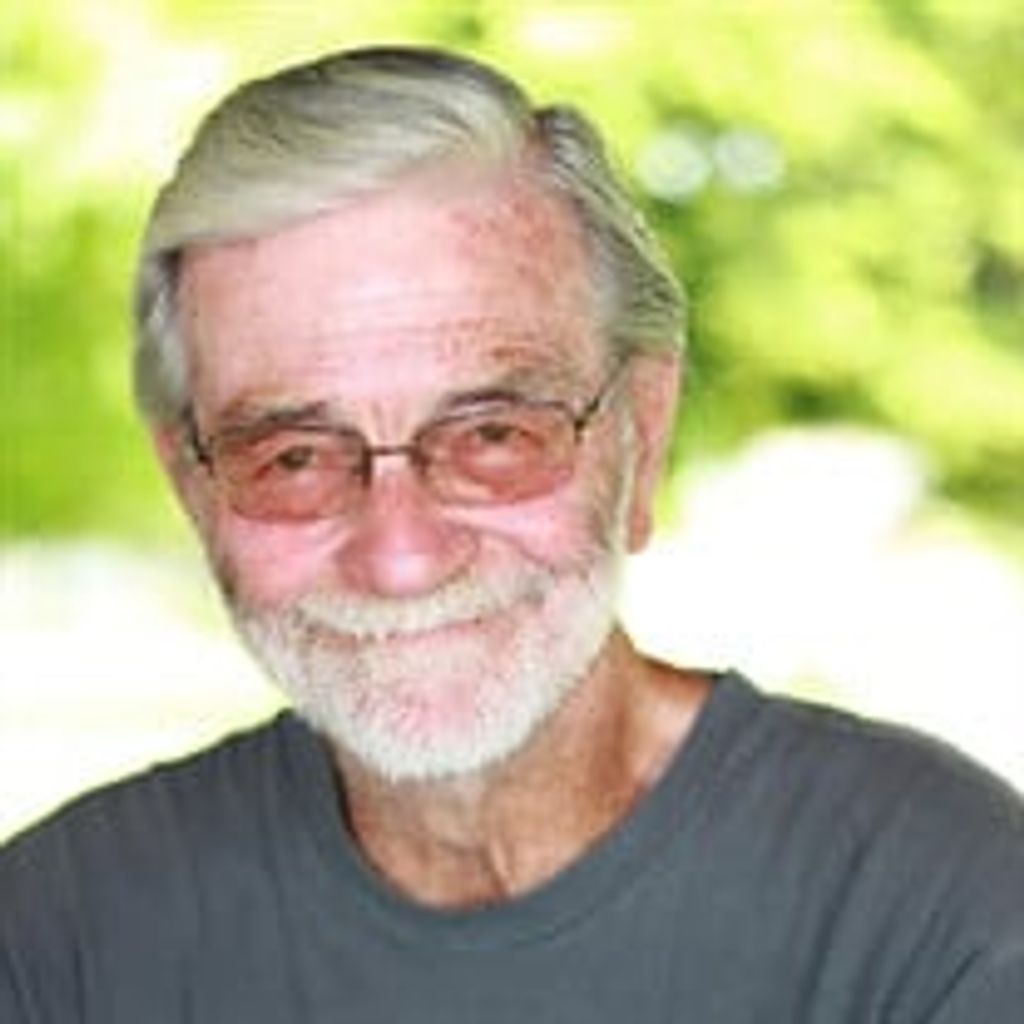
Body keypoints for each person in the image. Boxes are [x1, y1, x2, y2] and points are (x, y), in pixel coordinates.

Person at [2, 45, 1022, 1022]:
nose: (401, 558)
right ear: (193, 483)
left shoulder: (941, 910)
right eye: (296, 456)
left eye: (492, 434)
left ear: (641, 431)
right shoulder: (54, 939)